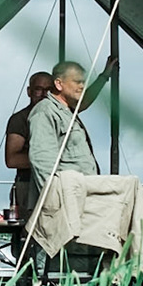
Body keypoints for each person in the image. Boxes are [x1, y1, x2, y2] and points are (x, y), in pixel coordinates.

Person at [27, 60, 99, 192]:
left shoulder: (67, 112)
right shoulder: (45, 111)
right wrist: (55, 197)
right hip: (67, 196)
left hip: (84, 192)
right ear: (59, 84)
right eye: (77, 81)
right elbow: (42, 161)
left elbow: (86, 101)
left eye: (83, 82)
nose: (82, 86)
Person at [4, 71, 55, 221]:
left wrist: (103, 77)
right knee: (29, 234)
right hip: (27, 185)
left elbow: (81, 101)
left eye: (49, 90)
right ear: (29, 91)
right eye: (39, 89)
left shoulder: (59, 117)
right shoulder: (20, 119)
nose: (44, 94)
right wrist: (48, 160)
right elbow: (11, 160)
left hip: (54, 184)